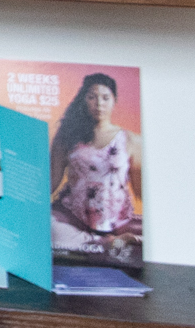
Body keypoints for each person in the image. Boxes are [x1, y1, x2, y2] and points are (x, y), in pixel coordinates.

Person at [46, 71, 140, 260]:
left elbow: (140, 191)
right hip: (72, 217)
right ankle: (102, 244)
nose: (99, 104)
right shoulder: (67, 135)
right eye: (92, 97)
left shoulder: (130, 140)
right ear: (84, 100)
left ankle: (100, 242)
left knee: (144, 237)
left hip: (117, 221)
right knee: (47, 227)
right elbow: (51, 181)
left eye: (105, 98)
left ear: (115, 100)